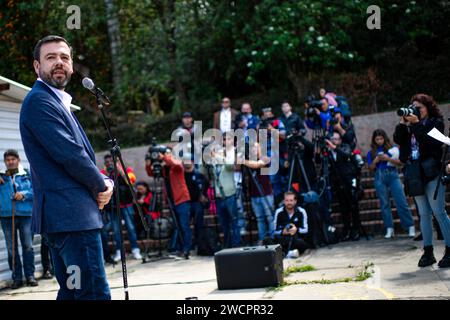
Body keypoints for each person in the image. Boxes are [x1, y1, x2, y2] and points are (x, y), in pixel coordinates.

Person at [19, 36, 113, 300]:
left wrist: (105, 181)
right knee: (92, 293)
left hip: (67, 218)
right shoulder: (40, 101)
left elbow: (76, 154)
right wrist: (102, 185)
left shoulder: (56, 101)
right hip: (72, 217)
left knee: (74, 293)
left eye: (65, 57)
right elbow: (70, 154)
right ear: (37, 67)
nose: (59, 63)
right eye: (51, 58)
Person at [393, 94, 450, 268]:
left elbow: (429, 144)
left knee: (438, 212)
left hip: (431, 172)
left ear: (428, 107)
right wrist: (404, 123)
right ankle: (428, 251)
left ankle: (449, 250)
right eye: (413, 107)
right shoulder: (410, 125)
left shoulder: (436, 123)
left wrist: (417, 123)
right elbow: (398, 140)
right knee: (424, 214)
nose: (416, 110)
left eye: (420, 107)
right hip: (415, 174)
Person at [367, 129, 415, 238]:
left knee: (401, 201)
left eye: (381, 138)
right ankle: (389, 228)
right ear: (374, 140)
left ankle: (410, 226)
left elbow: (400, 163)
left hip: (393, 175)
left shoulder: (392, 149)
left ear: (385, 138)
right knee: (384, 204)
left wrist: (387, 158)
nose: (379, 141)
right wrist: (376, 160)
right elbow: (370, 168)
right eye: (377, 139)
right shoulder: (372, 152)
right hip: (379, 176)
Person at [0, 150, 37, 289]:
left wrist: (24, 194)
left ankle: (30, 276)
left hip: (26, 215)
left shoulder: (27, 174)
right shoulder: (2, 176)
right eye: (7, 160)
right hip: (6, 217)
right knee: (11, 249)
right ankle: (17, 278)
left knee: (28, 246)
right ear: (5, 162)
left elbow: (36, 191)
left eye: (12, 159)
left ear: (18, 160)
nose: (10, 162)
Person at [146, 149, 192, 259]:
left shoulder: (177, 165)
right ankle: (181, 249)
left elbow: (175, 164)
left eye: (167, 154)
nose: (164, 156)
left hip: (182, 200)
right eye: (164, 154)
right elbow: (151, 173)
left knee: (184, 226)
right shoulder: (165, 168)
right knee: (178, 226)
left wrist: (164, 157)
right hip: (172, 201)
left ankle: (186, 250)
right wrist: (148, 163)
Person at [202, 133, 241, 248]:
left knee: (234, 222)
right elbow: (205, 173)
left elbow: (230, 165)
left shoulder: (228, 155)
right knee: (224, 224)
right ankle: (228, 245)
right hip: (218, 197)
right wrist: (204, 159)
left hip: (229, 194)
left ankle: (236, 244)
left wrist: (216, 156)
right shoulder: (213, 161)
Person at [101, 154, 142, 262]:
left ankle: (135, 249)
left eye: (112, 161)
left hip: (126, 204)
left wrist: (119, 169)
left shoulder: (126, 169)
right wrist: (107, 173)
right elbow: (100, 184)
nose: (110, 163)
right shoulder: (105, 173)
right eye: (107, 162)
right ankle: (119, 251)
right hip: (113, 207)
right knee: (116, 230)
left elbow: (130, 181)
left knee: (131, 228)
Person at [325, 132, 361, 241]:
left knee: (353, 206)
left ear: (340, 140)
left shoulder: (345, 147)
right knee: (343, 208)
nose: (334, 141)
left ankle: (356, 230)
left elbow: (347, 155)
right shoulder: (328, 152)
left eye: (336, 139)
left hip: (349, 181)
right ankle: (347, 230)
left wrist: (334, 148)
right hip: (338, 184)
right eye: (332, 139)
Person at [241, 142, 275, 244]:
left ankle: (273, 240)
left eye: (256, 148)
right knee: (260, 219)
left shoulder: (265, 158)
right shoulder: (248, 161)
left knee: (270, 218)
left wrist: (243, 160)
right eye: (252, 148)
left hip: (266, 193)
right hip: (254, 194)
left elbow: (257, 165)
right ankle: (262, 240)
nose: (253, 150)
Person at [273, 192, 310, 258]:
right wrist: (283, 231)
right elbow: (274, 230)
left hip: (296, 239)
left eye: (291, 200)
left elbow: (306, 230)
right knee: (269, 240)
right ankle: (289, 253)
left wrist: (296, 229)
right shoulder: (278, 212)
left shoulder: (301, 211)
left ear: (295, 201)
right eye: (287, 200)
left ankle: (284, 253)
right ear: (284, 201)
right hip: (283, 239)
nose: (289, 203)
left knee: (302, 243)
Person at [183, 161, 208, 250]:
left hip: (197, 202)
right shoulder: (182, 176)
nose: (186, 163)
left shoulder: (199, 174)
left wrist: (204, 196)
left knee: (199, 224)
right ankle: (189, 244)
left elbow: (206, 185)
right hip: (186, 202)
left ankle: (199, 244)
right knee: (186, 224)